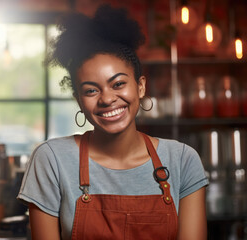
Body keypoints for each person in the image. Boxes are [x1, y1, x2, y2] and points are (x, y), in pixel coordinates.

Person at [18, 4, 209, 240]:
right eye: (91, 91)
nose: (107, 99)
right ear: (78, 100)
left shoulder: (182, 160)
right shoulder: (52, 160)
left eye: (118, 84)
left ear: (140, 87)